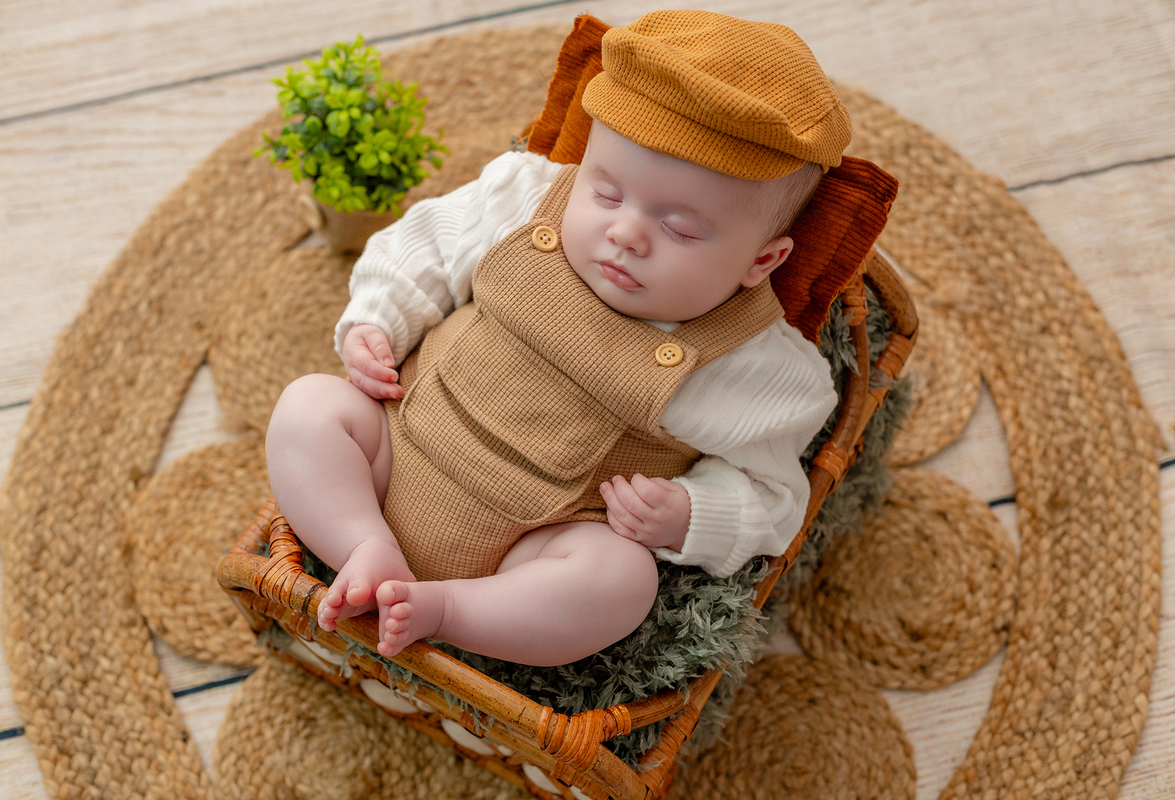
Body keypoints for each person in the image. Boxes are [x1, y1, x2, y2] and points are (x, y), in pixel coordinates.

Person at [265, 10, 848, 667]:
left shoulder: (758, 368)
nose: (626, 233)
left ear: (761, 262)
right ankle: (366, 545)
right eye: (605, 191)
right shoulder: (523, 197)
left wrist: (691, 513)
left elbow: (775, 497)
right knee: (309, 410)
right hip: (394, 450)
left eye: (681, 228)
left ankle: (449, 611)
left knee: (621, 582)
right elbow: (422, 246)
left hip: (537, 545)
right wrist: (377, 320)